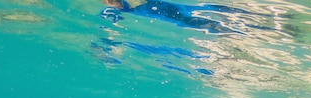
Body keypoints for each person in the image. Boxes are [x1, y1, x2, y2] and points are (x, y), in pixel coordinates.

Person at [100, 0, 267, 35]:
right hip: (169, 13)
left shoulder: (124, 6)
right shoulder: (119, 8)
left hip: (166, 9)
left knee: (208, 13)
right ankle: (257, 27)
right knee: (205, 21)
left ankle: (257, 20)